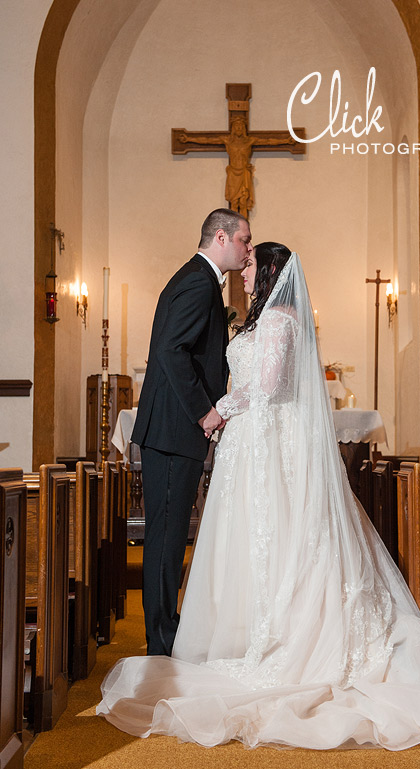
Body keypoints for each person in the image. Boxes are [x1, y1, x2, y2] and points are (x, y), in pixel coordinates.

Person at [98, 244, 420, 750]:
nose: (245, 271)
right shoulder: (258, 320)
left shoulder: (279, 318)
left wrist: (220, 409)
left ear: (272, 271)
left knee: (276, 535)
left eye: (253, 264)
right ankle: (240, 631)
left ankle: (279, 639)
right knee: (248, 540)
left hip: (265, 443)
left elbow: (272, 386)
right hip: (247, 446)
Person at [130, 208, 252, 656]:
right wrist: (204, 412)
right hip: (173, 430)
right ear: (221, 238)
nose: (247, 248)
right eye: (244, 240)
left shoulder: (197, 280)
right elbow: (170, 351)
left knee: (171, 533)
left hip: (171, 430)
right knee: (165, 538)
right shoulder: (199, 283)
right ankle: (161, 640)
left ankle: (167, 629)